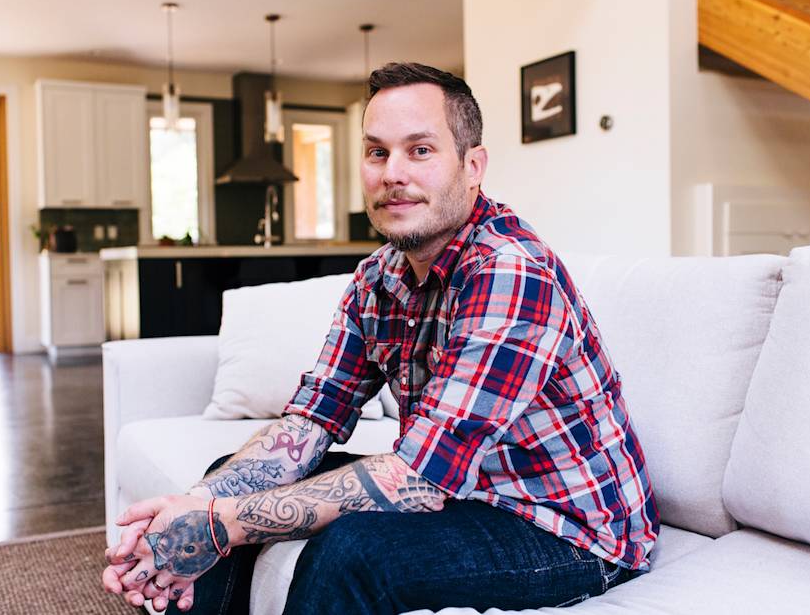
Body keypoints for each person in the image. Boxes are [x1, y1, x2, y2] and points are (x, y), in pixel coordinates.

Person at [101, 62, 660, 614]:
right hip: (462, 491)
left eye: (420, 150)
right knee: (226, 479)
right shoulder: (377, 278)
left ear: (472, 166)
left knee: (354, 552)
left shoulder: (510, 273)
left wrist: (220, 526)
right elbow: (313, 421)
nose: (393, 173)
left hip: (565, 527)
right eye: (377, 152)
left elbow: (417, 477)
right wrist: (196, 508)